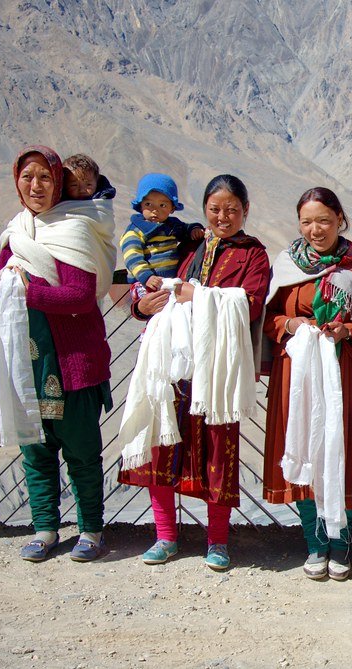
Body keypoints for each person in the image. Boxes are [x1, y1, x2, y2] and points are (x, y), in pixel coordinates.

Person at [0, 145, 117, 562]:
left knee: (82, 451)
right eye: (28, 177)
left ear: (59, 182)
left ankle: (91, 529)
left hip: (73, 361)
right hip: (27, 360)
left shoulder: (75, 229)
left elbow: (80, 294)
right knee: (35, 450)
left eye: (45, 178)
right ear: (16, 181)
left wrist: (25, 291)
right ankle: (45, 528)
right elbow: (2, 277)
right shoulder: (17, 233)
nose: (36, 186)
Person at [118, 174, 270, 571]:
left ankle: (217, 540)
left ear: (246, 211)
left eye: (232, 210)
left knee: (219, 449)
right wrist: (142, 306)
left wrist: (197, 297)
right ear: (204, 211)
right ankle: (165, 535)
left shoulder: (253, 255)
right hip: (174, 363)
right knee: (162, 443)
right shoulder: (189, 245)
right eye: (215, 210)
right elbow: (155, 282)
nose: (223, 217)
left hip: (219, 368)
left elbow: (251, 304)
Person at [263, 187, 352, 582]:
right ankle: (315, 543)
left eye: (323, 220)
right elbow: (266, 318)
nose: (315, 229)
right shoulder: (287, 265)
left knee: (341, 452)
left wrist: (348, 331)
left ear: (340, 219)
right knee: (305, 446)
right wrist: (290, 324)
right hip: (297, 377)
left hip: (346, 375)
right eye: (306, 221)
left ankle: (342, 544)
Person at [121, 173, 205, 295]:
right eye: (148, 204)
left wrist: (195, 229)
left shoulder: (172, 225)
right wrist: (147, 277)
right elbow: (132, 257)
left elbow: (186, 228)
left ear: (172, 208)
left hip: (168, 281)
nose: (155, 210)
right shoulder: (135, 231)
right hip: (143, 283)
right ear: (140, 205)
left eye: (162, 205)